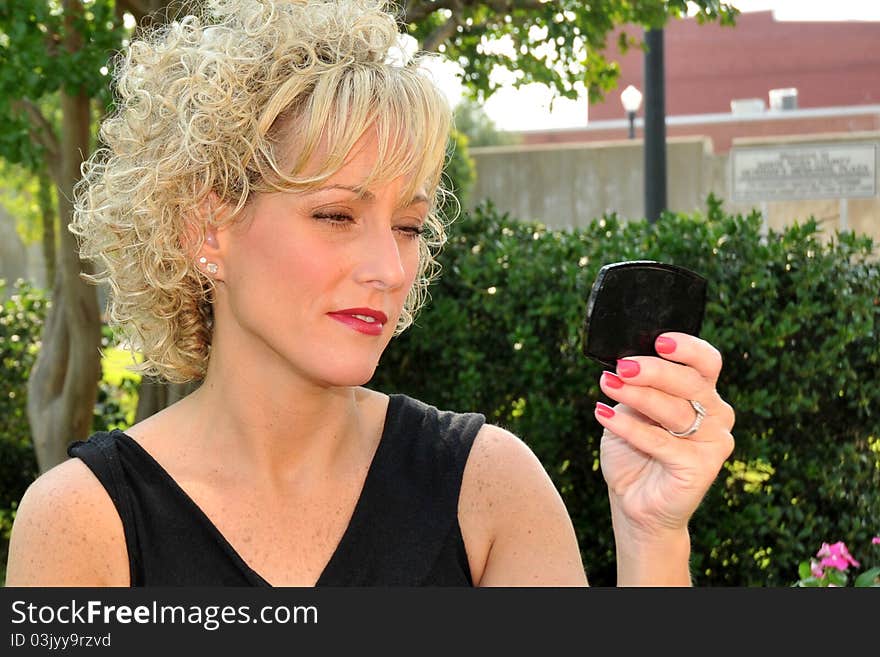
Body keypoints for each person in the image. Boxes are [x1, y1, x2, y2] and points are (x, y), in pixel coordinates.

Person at [5, 0, 734, 587]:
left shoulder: (488, 486)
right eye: (335, 215)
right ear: (208, 224)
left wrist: (652, 537)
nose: (388, 265)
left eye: (410, 225)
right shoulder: (84, 520)